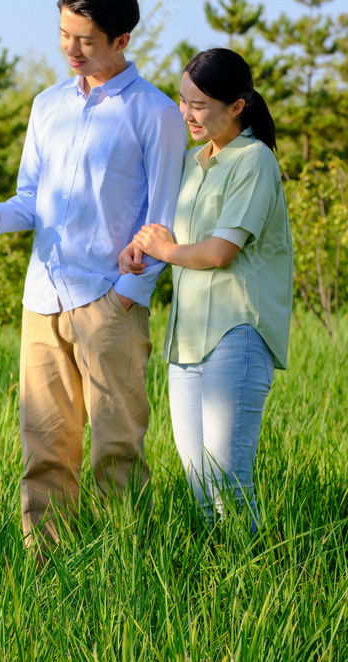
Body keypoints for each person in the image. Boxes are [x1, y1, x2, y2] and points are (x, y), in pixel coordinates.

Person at [0, 0, 187, 552]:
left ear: (122, 40)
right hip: (42, 298)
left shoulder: (155, 113)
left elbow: (163, 221)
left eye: (85, 39)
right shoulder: (47, 105)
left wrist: (125, 299)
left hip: (109, 302)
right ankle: (46, 563)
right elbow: (32, 198)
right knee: (44, 443)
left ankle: (120, 565)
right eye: (64, 34)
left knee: (117, 447)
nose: (70, 48)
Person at [119, 48, 293, 534]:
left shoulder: (254, 160)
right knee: (200, 486)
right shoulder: (194, 162)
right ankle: (218, 594)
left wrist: (165, 248)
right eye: (182, 100)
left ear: (237, 105)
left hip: (236, 333)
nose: (186, 113)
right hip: (187, 338)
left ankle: (258, 583)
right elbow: (168, 238)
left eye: (199, 104)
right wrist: (139, 249)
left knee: (228, 483)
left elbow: (219, 252)